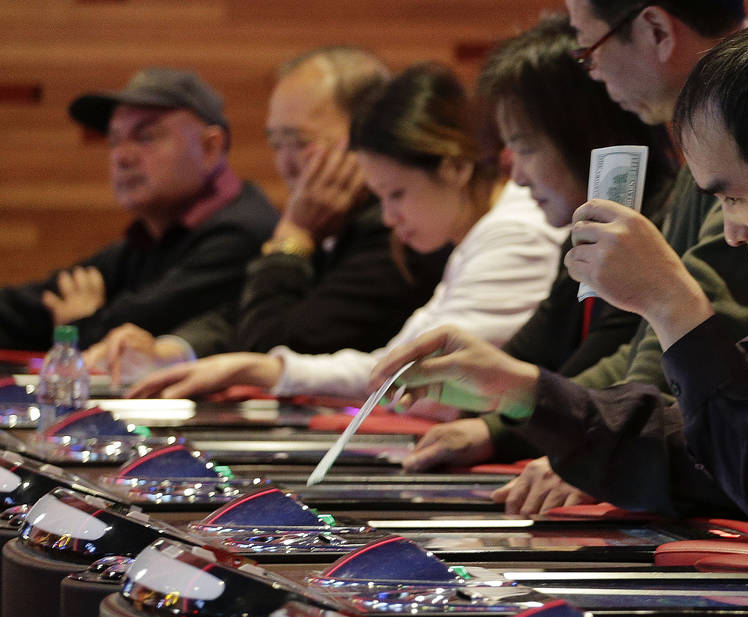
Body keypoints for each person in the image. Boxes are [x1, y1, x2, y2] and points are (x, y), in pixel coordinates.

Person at [369, 18, 748, 565]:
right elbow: (706, 449)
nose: (731, 229)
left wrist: (674, 305)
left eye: (733, 196)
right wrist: (526, 395)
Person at [402, 0, 748, 500]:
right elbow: (642, 349)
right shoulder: (713, 126)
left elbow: (695, 348)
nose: (593, 71)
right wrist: (508, 420)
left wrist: (602, 446)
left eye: (590, 50)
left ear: (655, 30)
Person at [128, 62, 563, 400]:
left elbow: (419, 380)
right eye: (276, 143)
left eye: (397, 193)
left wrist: (268, 365)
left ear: (455, 167)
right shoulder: (475, 234)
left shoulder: (514, 234)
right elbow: (392, 365)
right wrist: (264, 369)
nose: (391, 216)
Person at [85, 47, 451, 383]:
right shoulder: (333, 221)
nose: (286, 165)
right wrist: (171, 351)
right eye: (277, 144)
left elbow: (272, 346)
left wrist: (291, 238)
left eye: (300, 142)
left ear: (369, 134)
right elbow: (239, 318)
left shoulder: (395, 230)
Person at [0, 68, 279, 351]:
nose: (121, 156)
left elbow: (127, 335)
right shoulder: (151, 235)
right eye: (113, 140)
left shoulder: (243, 234)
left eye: (146, 137)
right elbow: (36, 308)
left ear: (210, 148)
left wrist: (77, 325)